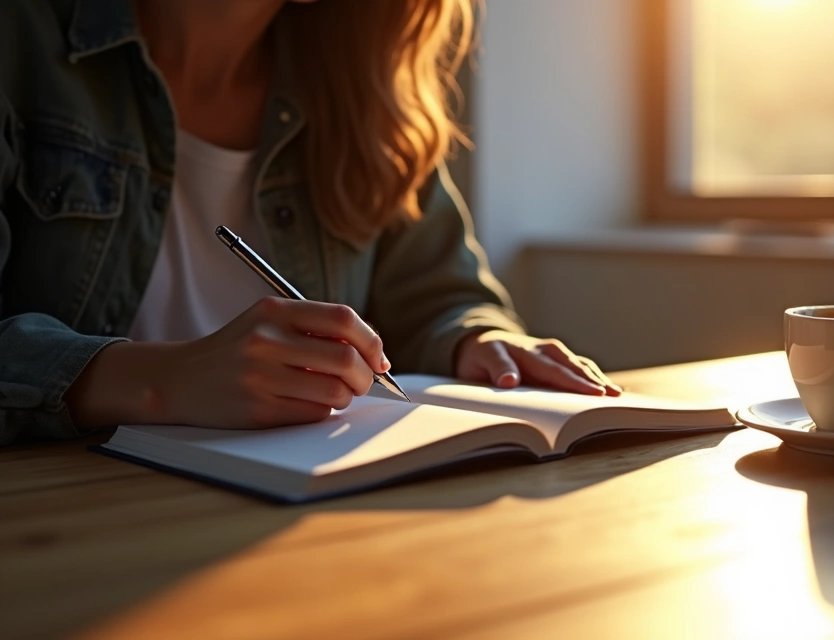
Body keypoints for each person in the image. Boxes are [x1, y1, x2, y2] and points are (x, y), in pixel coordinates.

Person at [0, 0, 619, 446]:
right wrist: (162, 381)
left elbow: (439, 296)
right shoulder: (21, 39)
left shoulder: (364, 94)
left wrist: (477, 339)